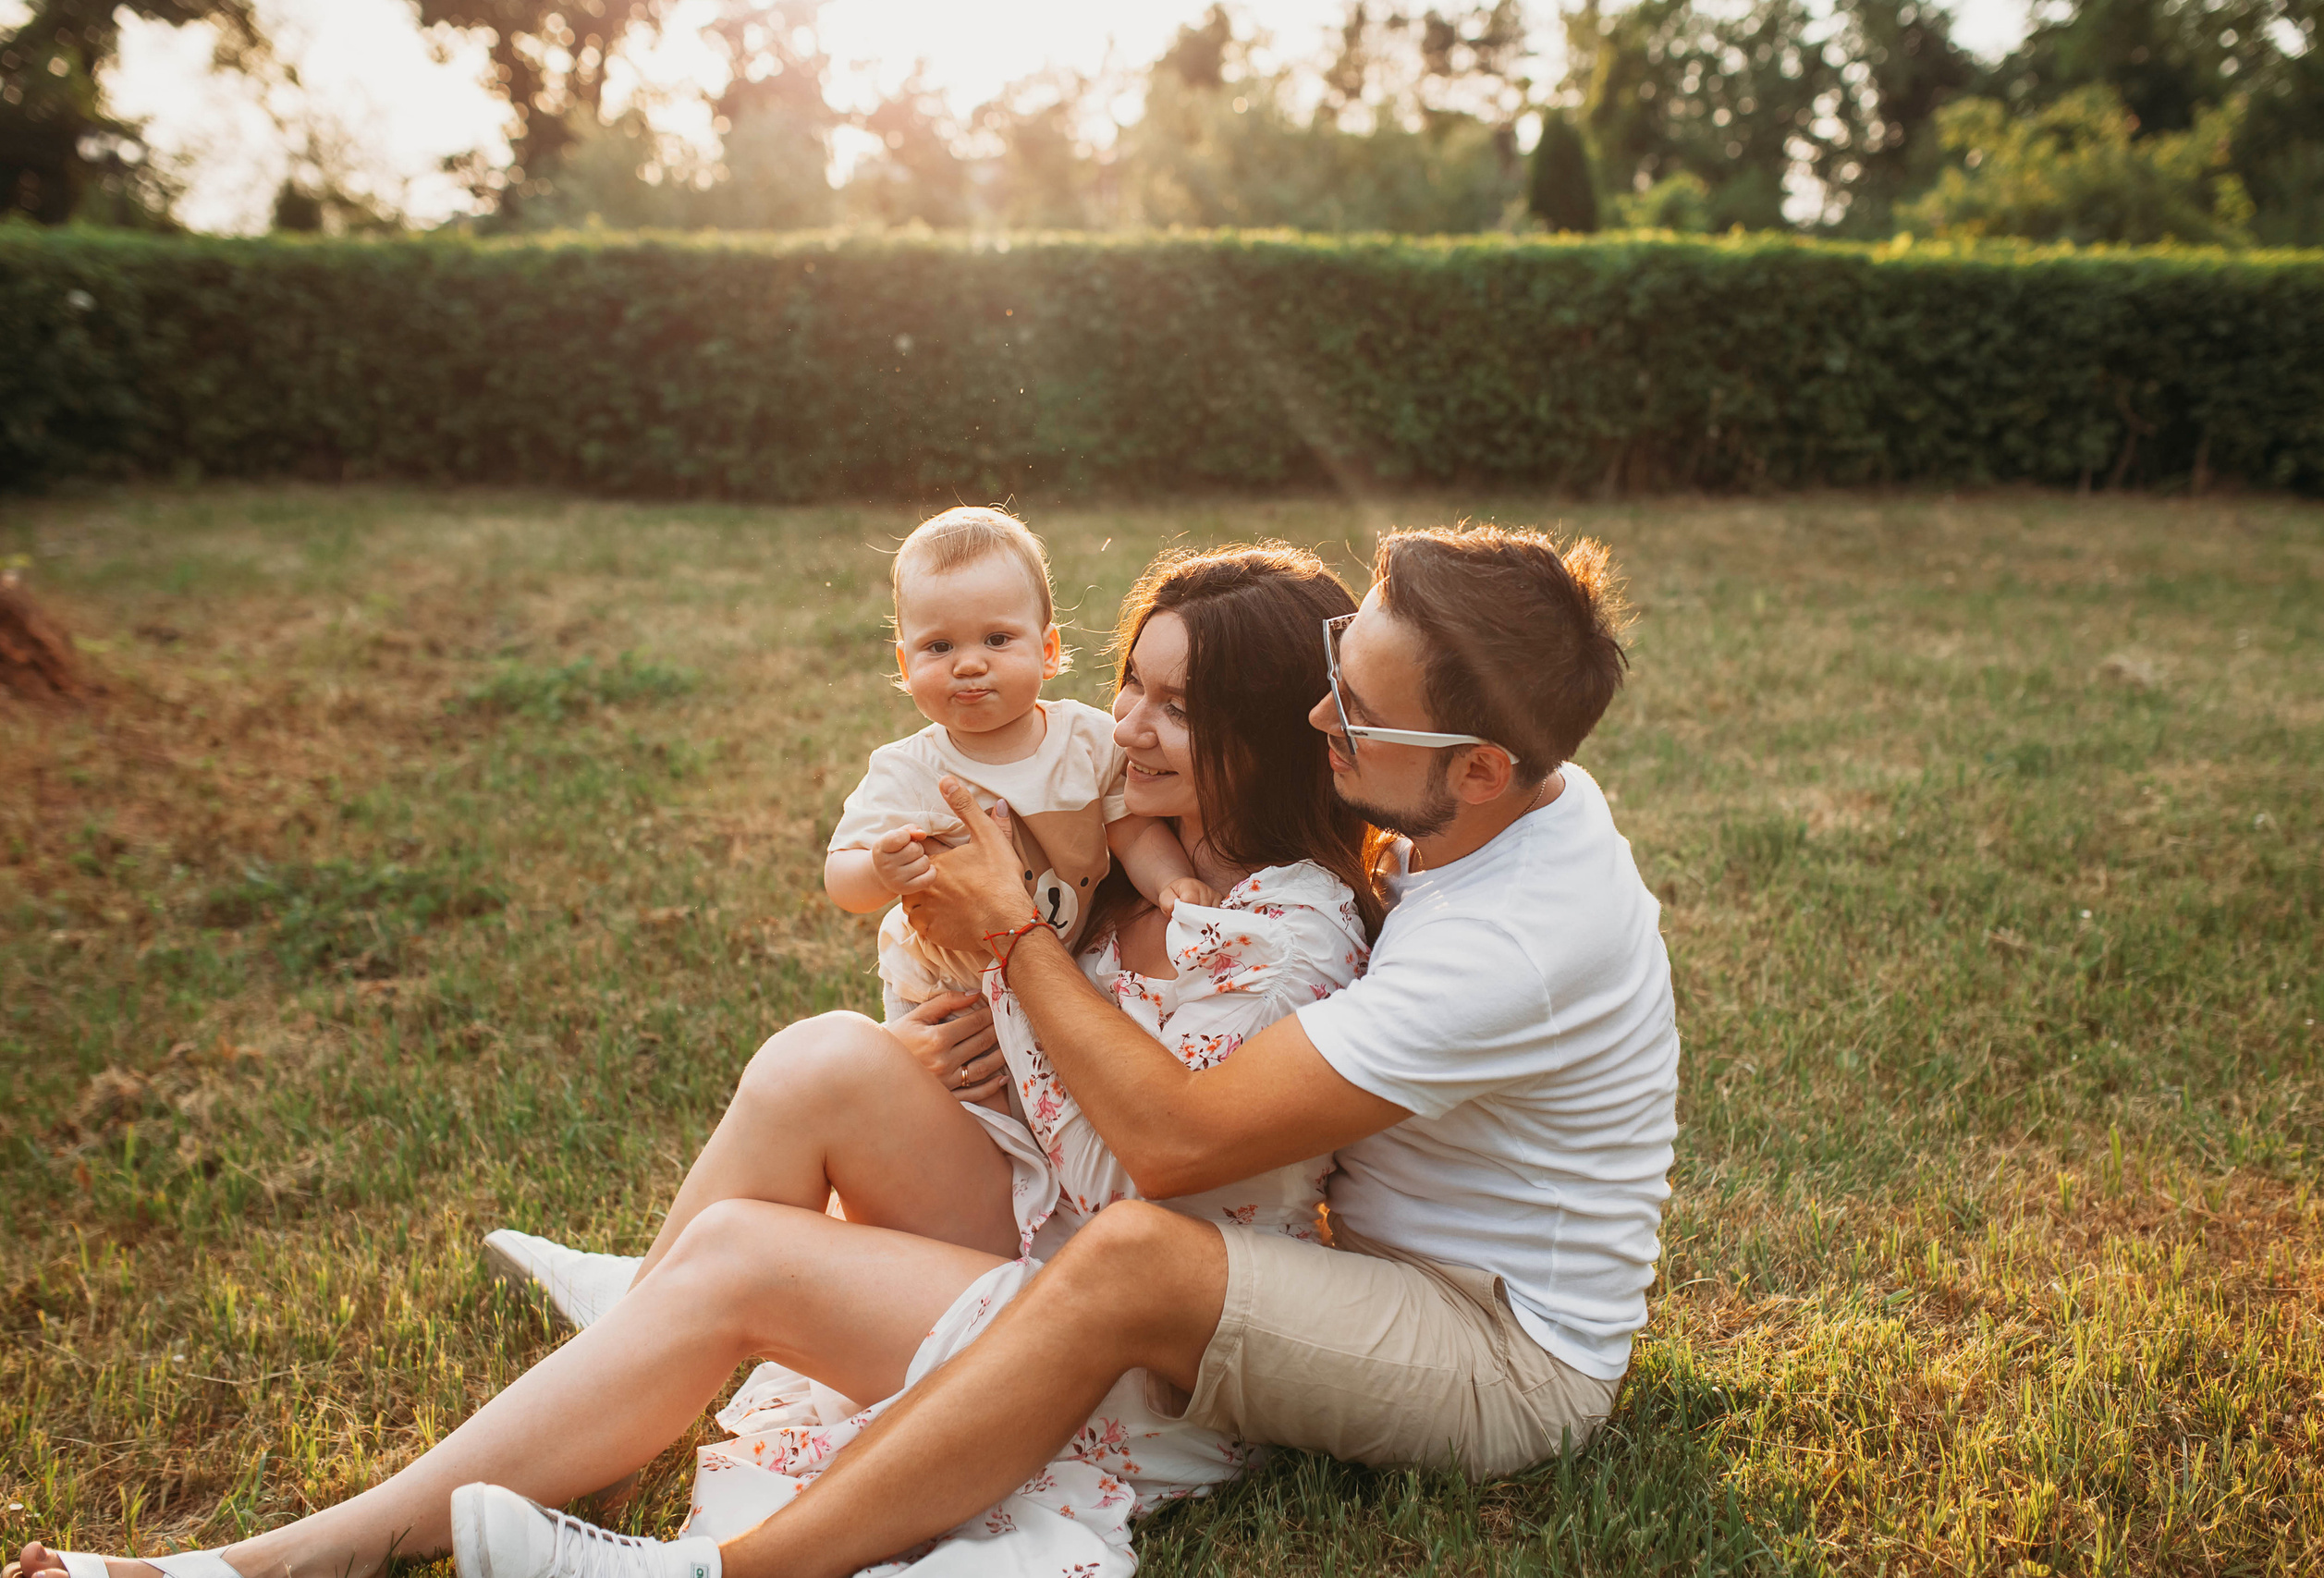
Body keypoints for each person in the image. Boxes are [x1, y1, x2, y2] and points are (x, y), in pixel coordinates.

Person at [6, 544, 1388, 1578]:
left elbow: (1132, 1167)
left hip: (1127, 1350)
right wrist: (953, 1033)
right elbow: (1037, 1069)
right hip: (1041, 1224)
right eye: (1131, 688)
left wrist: (1015, 984)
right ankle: (628, 1350)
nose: (1127, 726)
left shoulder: (1282, 932)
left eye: (1172, 709)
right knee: (822, 1056)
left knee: (743, 1254)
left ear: (1267, 737)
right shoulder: (1149, 848)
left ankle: (274, 1560)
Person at [449, 522, 1682, 1578]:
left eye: (1356, 710)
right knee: (833, 1068)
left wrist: (1013, 946)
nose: (1318, 717)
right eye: (1330, 669)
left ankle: (718, 1569)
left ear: (1475, 769)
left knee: (1142, 1251)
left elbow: (1173, 1141)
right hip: (1352, 1255)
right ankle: (639, 1330)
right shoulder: (1495, 789)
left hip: (1504, 1348)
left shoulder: (1510, 939)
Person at [819, 504, 1205, 1021]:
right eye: (939, 646)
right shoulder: (908, 771)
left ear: (1048, 650)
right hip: (945, 989)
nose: (970, 663)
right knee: (956, 1092)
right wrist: (877, 869)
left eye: (997, 639)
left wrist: (1171, 882)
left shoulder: (1086, 741)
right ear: (906, 666)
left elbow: (1131, 831)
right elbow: (840, 877)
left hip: (1059, 968)